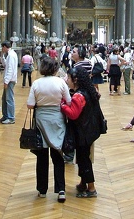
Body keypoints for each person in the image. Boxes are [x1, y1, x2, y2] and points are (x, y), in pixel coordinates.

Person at [27, 56, 72, 203]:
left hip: (41, 120)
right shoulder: (60, 82)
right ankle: (61, 190)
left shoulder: (36, 83)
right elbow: (69, 101)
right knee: (58, 155)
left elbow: (30, 105)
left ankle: (42, 190)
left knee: (42, 156)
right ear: (54, 68)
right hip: (57, 120)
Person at [61, 66, 104, 198]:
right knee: (82, 157)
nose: (66, 80)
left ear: (76, 80)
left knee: (84, 159)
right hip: (89, 130)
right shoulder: (88, 91)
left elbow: (73, 114)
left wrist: (62, 106)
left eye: (68, 78)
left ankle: (91, 188)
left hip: (83, 132)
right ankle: (83, 183)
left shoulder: (79, 95)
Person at [0, 41, 18, 124]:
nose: (1, 49)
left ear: (4, 47)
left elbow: (10, 69)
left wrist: (6, 81)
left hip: (10, 81)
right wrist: (2, 56)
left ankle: (11, 117)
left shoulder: (11, 55)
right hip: (8, 80)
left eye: (2, 47)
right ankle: (5, 116)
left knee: (9, 99)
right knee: (4, 98)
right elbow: (5, 65)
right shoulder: (9, 55)